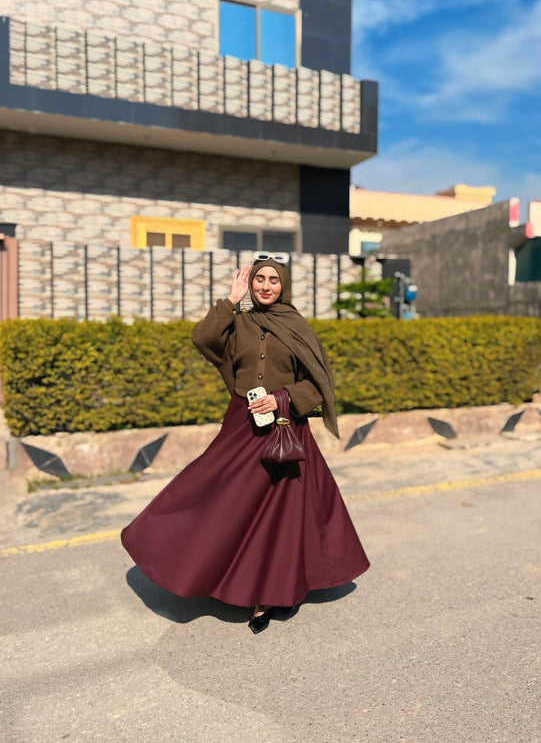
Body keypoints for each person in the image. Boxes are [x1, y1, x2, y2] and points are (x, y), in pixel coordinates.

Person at [121, 258, 370, 634]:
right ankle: (200, 566)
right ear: (250, 283)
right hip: (241, 425)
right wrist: (230, 301)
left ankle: (267, 595)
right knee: (215, 495)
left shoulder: (297, 326)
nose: (266, 286)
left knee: (280, 514)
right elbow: (202, 339)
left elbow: (319, 382)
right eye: (259, 279)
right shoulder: (238, 320)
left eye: (273, 280)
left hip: (286, 428)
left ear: (283, 285)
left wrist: (282, 397)